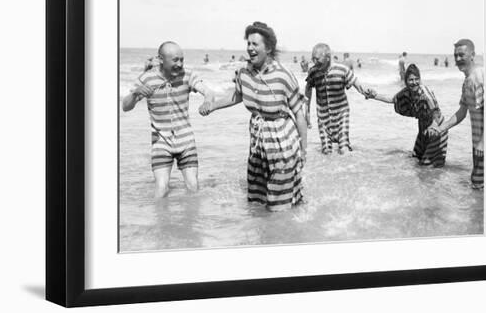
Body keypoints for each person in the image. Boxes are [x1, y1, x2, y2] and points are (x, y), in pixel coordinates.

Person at [199, 21, 307, 211]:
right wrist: (212, 105)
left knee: (278, 202)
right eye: (248, 43)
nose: (250, 48)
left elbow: (299, 112)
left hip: (282, 140)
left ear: (269, 48)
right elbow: (237, 95)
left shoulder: (283, 75)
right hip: (258, 140)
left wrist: (303, 150)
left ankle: (285, 232)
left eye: (255, 44)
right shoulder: (244, 73)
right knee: (258, 200)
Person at [122, 41, 214, 198]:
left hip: (186, 141)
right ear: (161, 59)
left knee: (192, 186)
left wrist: (207, 101)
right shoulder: (147, 79)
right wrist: (136, 93)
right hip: (161, 142)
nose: (180, 64)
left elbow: (208, 92)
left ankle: (190, 221)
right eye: (175, 60)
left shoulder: (187, 75)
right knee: (161, 188)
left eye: (182, 59)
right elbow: (125, 106)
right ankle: (160, 221)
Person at [367, 64, 448, 167]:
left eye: (416, 79)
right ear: (406, 81)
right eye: (411, 80)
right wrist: (374, 96)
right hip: (423, 128)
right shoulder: (406, 92)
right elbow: (392, 99)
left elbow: (436, 111)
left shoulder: (424, 92)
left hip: (437, 127)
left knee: (427, 166)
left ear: (420, 79)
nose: (414, 82)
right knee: (416, 159)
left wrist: (435, 126)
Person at [305, 43, 370, 155]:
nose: (315, 62)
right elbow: (308, 89)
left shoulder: (342, 70)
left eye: (317, 59)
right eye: (313, 59)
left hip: (341, 114)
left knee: (343, 148)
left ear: (328, 57)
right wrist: (307, 111)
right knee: (326, 151)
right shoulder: (313, 72)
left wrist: (367, 92)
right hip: (323, 117)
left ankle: (350, 168)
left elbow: (357, 84)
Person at [436, 39, 484, 189]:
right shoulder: (467, 81)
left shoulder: (479, 77)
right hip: (478, 144)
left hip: (484, 145)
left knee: (478, 185)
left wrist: (482, 144)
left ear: (472, 55)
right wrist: (441, 128)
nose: (457, 59)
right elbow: (462, 112)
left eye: (461, 55)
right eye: (455, 56)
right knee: (478, 186)